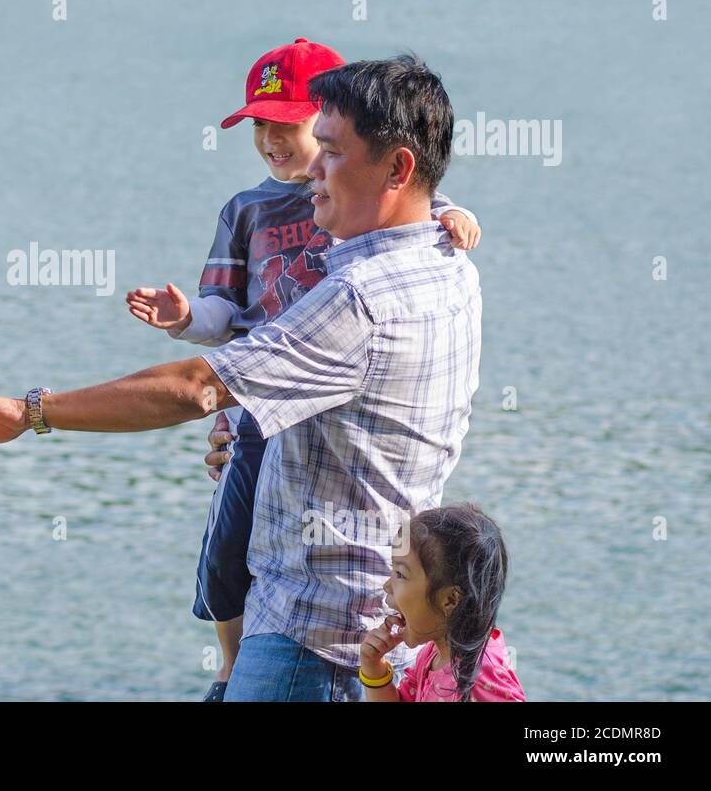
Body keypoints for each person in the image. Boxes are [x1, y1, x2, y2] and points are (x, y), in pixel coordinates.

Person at [0, 54, 482, 702]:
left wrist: (30, 411)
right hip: (365, 627)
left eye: (331, 151)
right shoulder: (447, 265)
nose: (310, 167)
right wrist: (255, 437)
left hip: (309, 644)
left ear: (397, 168)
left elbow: (195, 387)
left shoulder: (359, 298)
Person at [125, 38, 480, 701]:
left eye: (288, 126)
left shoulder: (371, 225)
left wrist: (458, 216)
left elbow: (427, 203)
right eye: (259, 126)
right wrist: (182, 318)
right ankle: (228, 664)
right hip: (257, 403)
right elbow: (221, 315)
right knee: (228, 550)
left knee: (258, 542)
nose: (273, 142)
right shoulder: (248, 210)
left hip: (323, 588)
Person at [359, 503, 525, 701]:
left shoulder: (479, 676)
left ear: (450, 599)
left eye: (400, 574)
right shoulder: (434, 654)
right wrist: (374, 668)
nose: (387, 585)